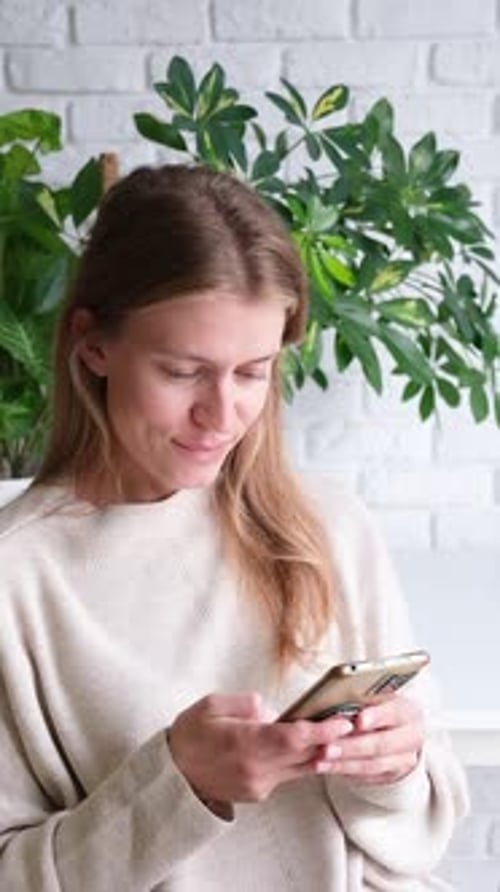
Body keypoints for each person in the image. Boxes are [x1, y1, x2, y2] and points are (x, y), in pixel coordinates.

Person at [0, 163, 467, 891]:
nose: (222, 416)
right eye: (184, 371)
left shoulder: (328, 525)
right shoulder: (17, 578)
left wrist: (397, 768)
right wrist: (178, 784)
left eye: (253, 372)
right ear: (93, 346)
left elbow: (422, 835)